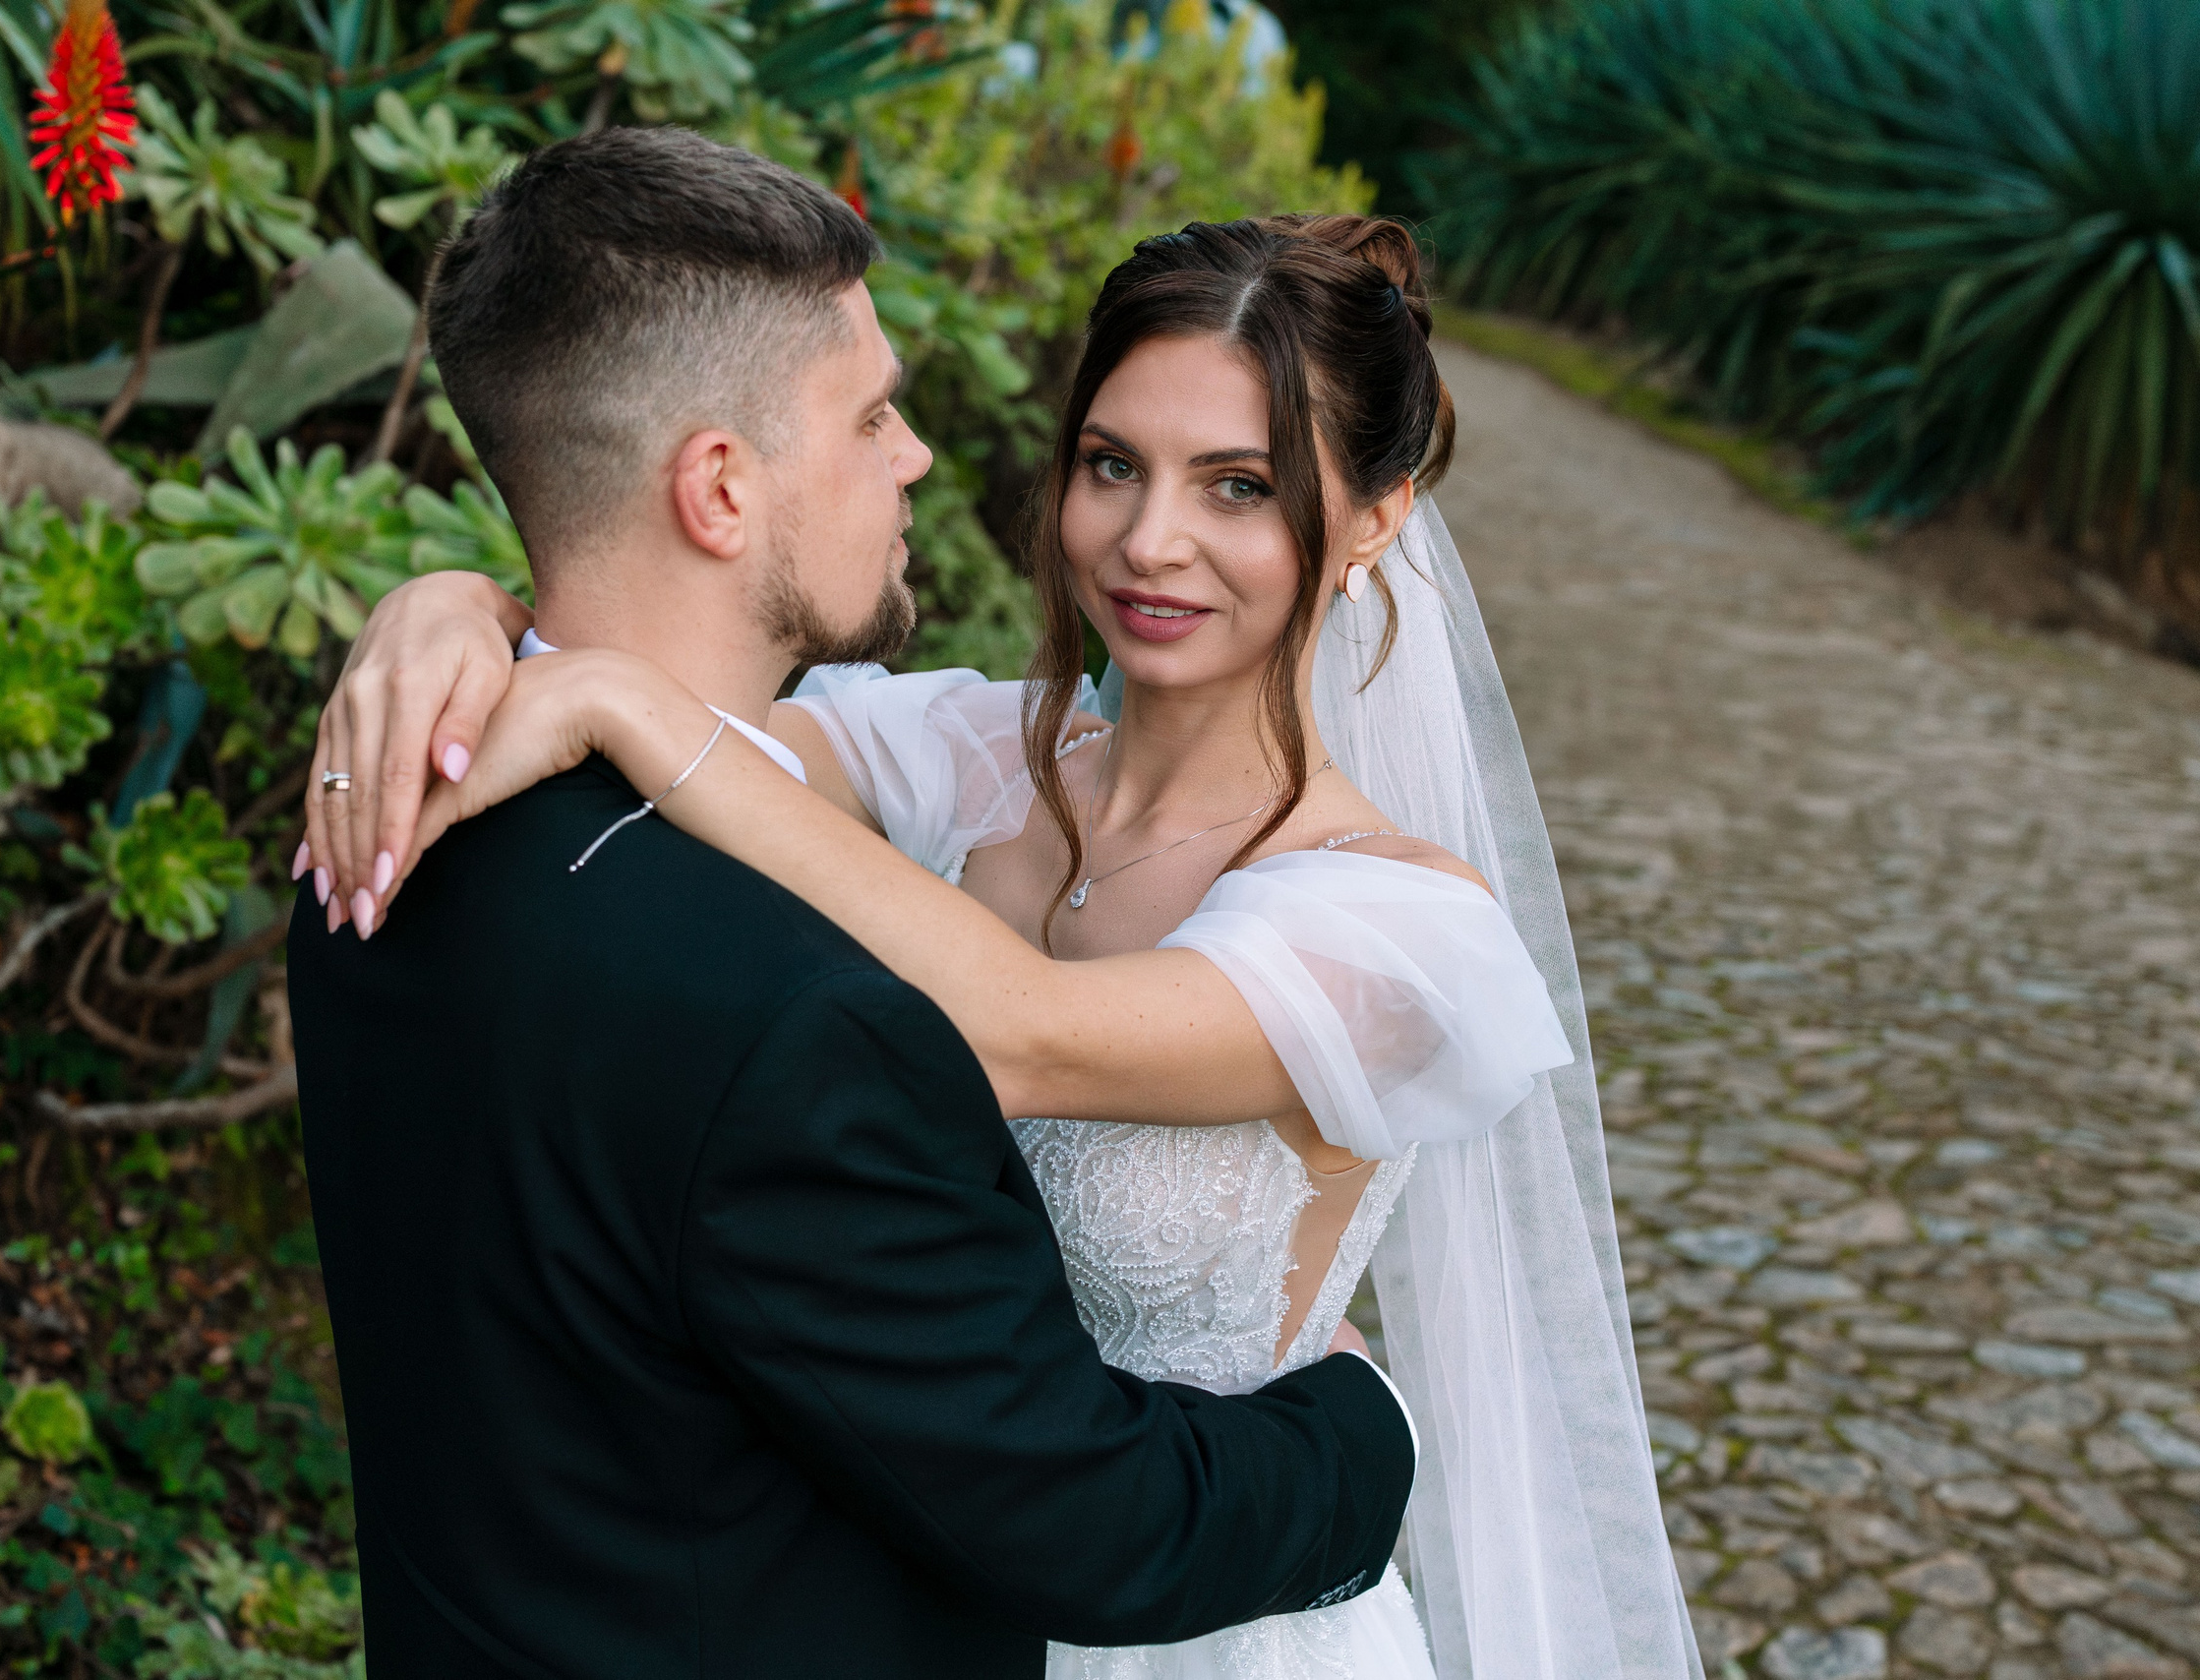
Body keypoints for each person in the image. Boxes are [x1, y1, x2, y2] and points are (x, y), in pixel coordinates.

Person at [311, 200, 1702, 1677]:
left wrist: (616, 706)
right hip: (933, 1570)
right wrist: (450, 609)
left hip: (1212, 1605)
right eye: (1114, 465)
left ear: (1375, 518)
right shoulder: (977, 756)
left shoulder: (1404, 929)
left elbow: (1025, 1033)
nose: (1151, 540)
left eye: (1239, 486)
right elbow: (678, 685)